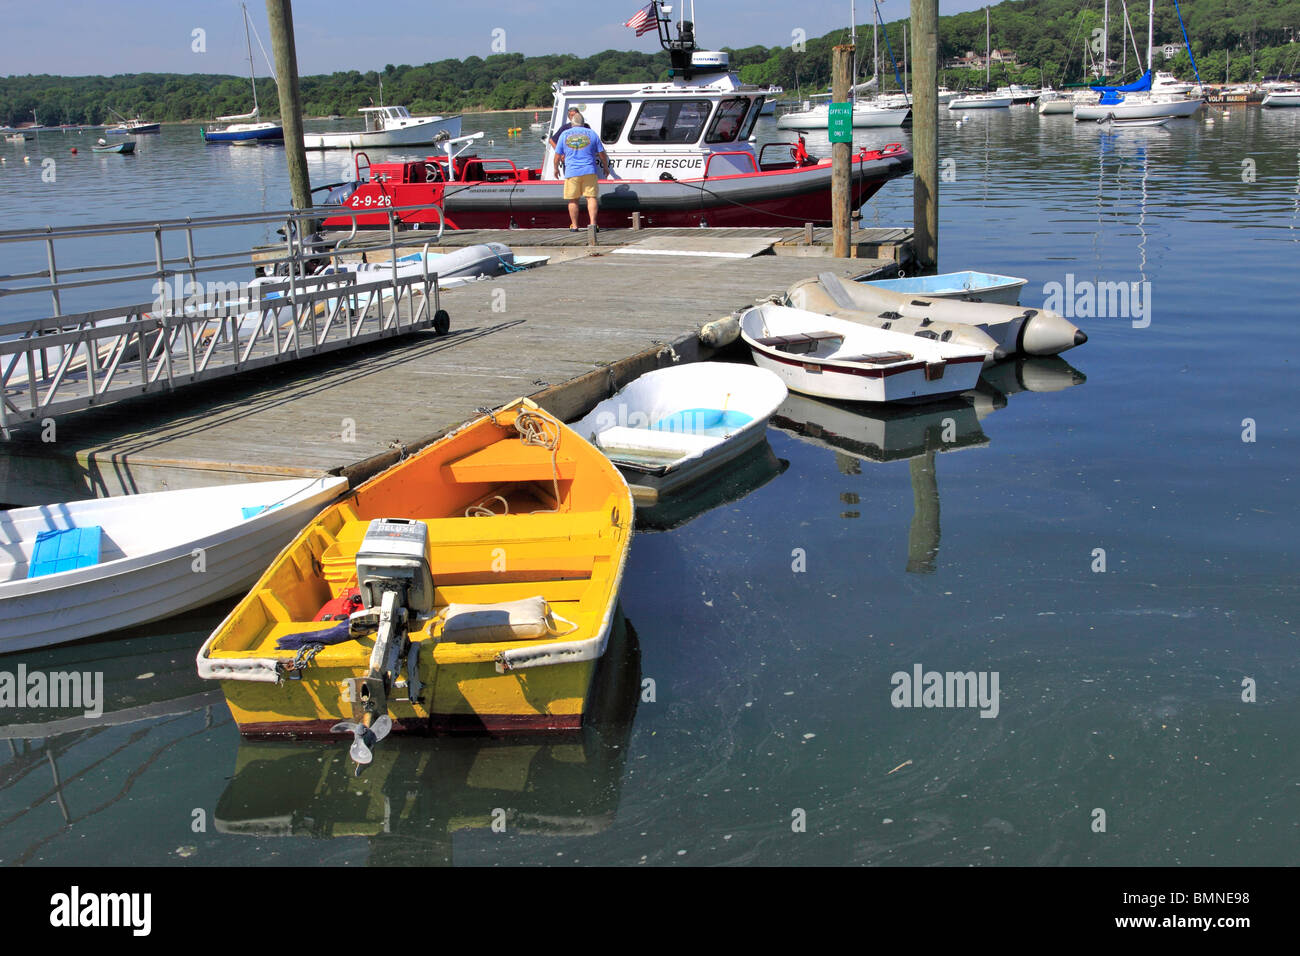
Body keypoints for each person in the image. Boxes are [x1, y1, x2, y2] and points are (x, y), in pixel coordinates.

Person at [553, 122, 611, 231]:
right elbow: (601, 153)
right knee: (591, 198)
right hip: (589, 170)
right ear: (582, 123)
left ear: (572, 124)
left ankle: (574, 226)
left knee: (573, 200)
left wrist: (555, 168)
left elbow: (557, 156)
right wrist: (605, 166)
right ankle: (593, 224)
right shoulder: (592, 133)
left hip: (572, 172)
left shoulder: (564, 134)